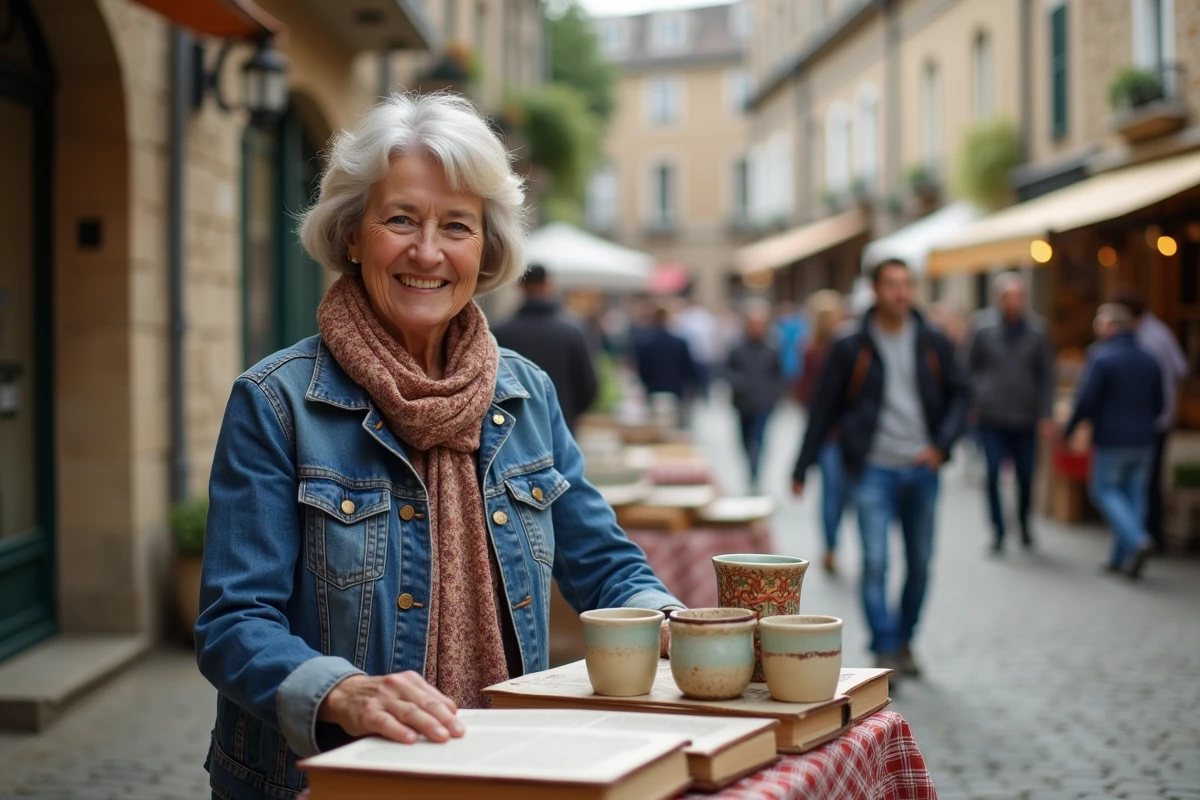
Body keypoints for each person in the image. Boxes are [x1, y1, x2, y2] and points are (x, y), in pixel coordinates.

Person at [194, 94, 684, 800]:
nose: (427, 252)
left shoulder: (526, 394)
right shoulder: (276, 402)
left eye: (456, 225)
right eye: (400, 219)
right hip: (326, 780)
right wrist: (343, 693)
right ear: (352, 235)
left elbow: (604, 564)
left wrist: (667, 618)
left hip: (506, 769)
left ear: (485, 250)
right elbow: (234, 622)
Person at [791, 259, 969, 675]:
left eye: (906, 284)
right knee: (874, 562)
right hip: (872, 468)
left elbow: (961, 395)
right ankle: (885, 645)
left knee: (920, 561)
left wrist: (941, 447)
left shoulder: (933, 341)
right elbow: (824, 406)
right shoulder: (850, 343)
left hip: (922, 469)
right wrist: (803, 465)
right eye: (892, 285)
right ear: (874, 290)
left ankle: (905, 639)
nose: (901, 293)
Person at [1063, 303, 1163, 579]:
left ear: (1110, 326)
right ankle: (1121, 559)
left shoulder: (1101, 357)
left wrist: (1070, 429)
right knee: (1133, 497)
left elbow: (1085, 400)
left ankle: (1138, 540)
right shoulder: (1149, 358)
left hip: (1112, 438)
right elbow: (1160, 403)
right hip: (1144, 438)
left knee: (1104, 490)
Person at [967, 273, 1056, 554]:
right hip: (991, 414)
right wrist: (974, 399)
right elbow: (969, 367)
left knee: (1026, 475)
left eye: (1019, 296)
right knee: (991, 473)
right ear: (998, 299)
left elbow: (1047, 376)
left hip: (1026, 415)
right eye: (1008, 296)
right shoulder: (983, 328)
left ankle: (1024, 523)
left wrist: (1046, 414)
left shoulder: (1038, 331)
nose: (1014, 302)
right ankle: (998, 530)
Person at [1112, 289, 1189, 552]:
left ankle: (1145, 536)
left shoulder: (1145, 339)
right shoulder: (1162, 333)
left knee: (1140, 481)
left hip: (1146, 418)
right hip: (1157, 417)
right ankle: (1147, 534)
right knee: (1149, 479)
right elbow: (1181, 370)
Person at [492, 264, 598, 432]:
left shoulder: (499, 332)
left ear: (520, 286)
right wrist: (567, 412)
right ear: (548, 285)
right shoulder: (571, 332)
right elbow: (589, 387)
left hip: (513, 429)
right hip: (561, 426)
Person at [795, 290, 850, 574]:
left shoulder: (815, 349)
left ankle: (831, 546)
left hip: (833, 433)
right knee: (836, 492)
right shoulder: (823, 350)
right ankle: (831, 545)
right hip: (837, 433)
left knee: (833, 493)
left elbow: (804, 394)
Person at [725, 303, 785, 494]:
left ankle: (755, 474)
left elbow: (779, 375)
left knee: (758, 440)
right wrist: (739, 383)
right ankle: (750, 469)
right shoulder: (737, 348)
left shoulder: (771, 350)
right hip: (743, 403)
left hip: (763, 403)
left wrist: (773, 393)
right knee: (744, 440)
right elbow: (727, 370)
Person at [635, 305, 700, 406]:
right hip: (675, 389)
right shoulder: (679, 343)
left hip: (653, 389)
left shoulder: (644, 343)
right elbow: (688, 368)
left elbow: (641, 369)